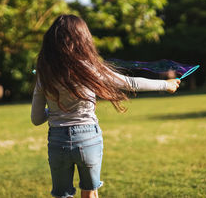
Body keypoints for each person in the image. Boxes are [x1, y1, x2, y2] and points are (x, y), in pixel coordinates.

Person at [31, 15, 181, 198]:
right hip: (88, 138)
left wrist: (53, 110)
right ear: (83, 39)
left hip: (57, 141)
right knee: (90, 194)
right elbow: (130, 83)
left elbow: (36, 119)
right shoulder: (89, 69)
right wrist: (166, 85)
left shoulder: (44, 74)